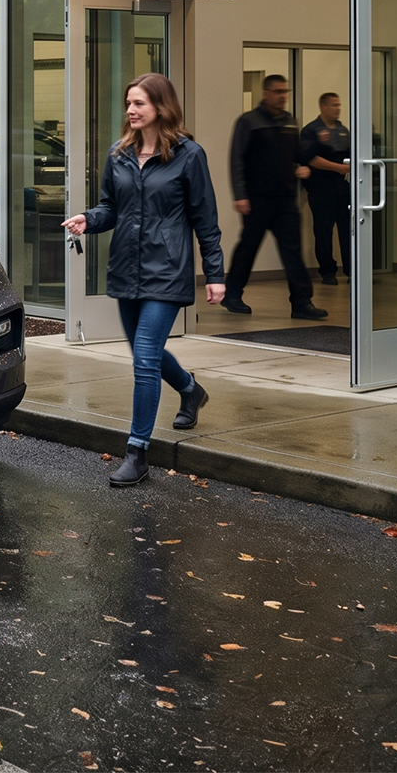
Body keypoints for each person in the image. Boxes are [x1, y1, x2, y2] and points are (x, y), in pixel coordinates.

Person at [62, 73, 225, 489]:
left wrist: (216, 274)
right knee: (143, 352)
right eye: (129, 103)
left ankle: (137, 451)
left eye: (139, 104)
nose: (131, 111)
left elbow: (206, 220)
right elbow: (110, 208)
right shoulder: (119, 155)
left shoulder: (189, 156)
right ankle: (190, 389)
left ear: (161, 107)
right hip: (126, 268)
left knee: (146, 356)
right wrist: (89, 219)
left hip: (167, 269)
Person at [221, 74, 326, 320]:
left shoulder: (290, 122)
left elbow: (298, 153)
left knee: (293, 251)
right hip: (257, 199)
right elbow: (237, 159)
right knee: (248, 248)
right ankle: (232, 294)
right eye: (278, 92)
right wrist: (240, 195)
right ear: (265, 94)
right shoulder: (248, 121)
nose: (282, 97)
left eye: (285, 92)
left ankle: (301, 303)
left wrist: (305, 162)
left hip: (285, 199)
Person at [300, 92, 352, 286]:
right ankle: (327, 272)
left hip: (342, 187)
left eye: (339, 105)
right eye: (333, 105)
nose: (338, 109)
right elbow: (310, 159)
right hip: (321, 188)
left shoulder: (343, 130)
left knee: (348, 231)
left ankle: (351, 271)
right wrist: (340, 168)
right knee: (323, 232)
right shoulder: (311, 131)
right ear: (323, 107)